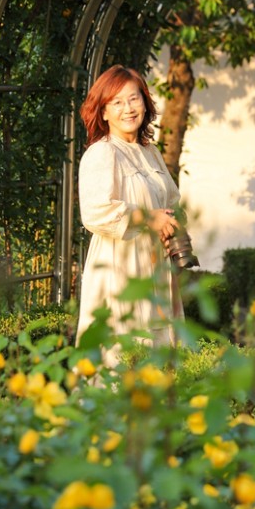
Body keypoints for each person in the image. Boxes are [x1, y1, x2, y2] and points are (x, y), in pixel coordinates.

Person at [75, 65, 184, 354]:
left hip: (155, 267)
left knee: (161, 354)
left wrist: (173, 230)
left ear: (145, 104)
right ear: (103, 112)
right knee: (121, 353)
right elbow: (95, 211)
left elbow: (171, 202)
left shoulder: (151, 152)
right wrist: (149, 218)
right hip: (119, 266)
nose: (128, 109)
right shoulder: (103, 152)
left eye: (134, 99)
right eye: (117, 102)